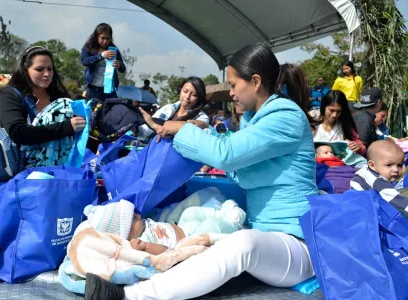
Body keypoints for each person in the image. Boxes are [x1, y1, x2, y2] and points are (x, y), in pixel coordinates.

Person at [87, 44, 317, 300]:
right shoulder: (258, 121)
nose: (230, 93)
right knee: (202, 225)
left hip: (298, 244)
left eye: (232, 85)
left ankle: (130, 296)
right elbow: (237, 165)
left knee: (243, 245)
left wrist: (182, 128)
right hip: (268, 238)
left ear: (255, 81)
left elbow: (226, 154)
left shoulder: (286, 117)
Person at [84, 198, 245, 256]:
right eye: (133, 218)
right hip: (187, 240)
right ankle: (233, 224)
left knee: (190, 212)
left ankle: (222, 214)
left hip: (182, 227)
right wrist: (146, 247)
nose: (139, 215)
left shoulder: (145, 224)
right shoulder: (140, 243)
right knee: (208, 227)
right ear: (125, 232)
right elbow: (165, 253)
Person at [0, 46, 86, 145]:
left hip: (62, 160)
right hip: (18, 159)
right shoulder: (10, 95)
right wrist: (66, 127)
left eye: (50, 69)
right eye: (39, 69)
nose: (46, 73)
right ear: (25, 70)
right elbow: (18, 133)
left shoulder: (60, 97)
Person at [137, 77, 209, 142]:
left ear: (199, 98)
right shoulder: (167, 108)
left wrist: (154, 125)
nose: (187, 97)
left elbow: (190, 131)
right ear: (180, 90)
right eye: (185, 91)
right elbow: (144, 132)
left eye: (194, 95)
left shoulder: (202, 117)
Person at [350, 140, 408, 214]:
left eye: (399, 165)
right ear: (372, 165)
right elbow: (397, 200)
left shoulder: (365, 170)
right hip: (359, 211)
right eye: (389, 165)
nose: (396, 170)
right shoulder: (378, 181)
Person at [312, 90, 366, 155]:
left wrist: (359, 147)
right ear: (324, 107)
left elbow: (362, 147)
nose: (334, 115)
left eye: (338, 111)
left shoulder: (345, 127)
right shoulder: (310, 124)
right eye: (331, 110)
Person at [81, 23, 126, 101]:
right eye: (102, 38)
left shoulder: (113, 50)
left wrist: (119, 65)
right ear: (96, 36)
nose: (105, 41)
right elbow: (84, 61)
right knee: (93, 112)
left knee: (113, 112)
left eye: (108, 38)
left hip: (110, 91)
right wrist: (101, 56)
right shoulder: (89, 47)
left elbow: (123, 69)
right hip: (93, 90)